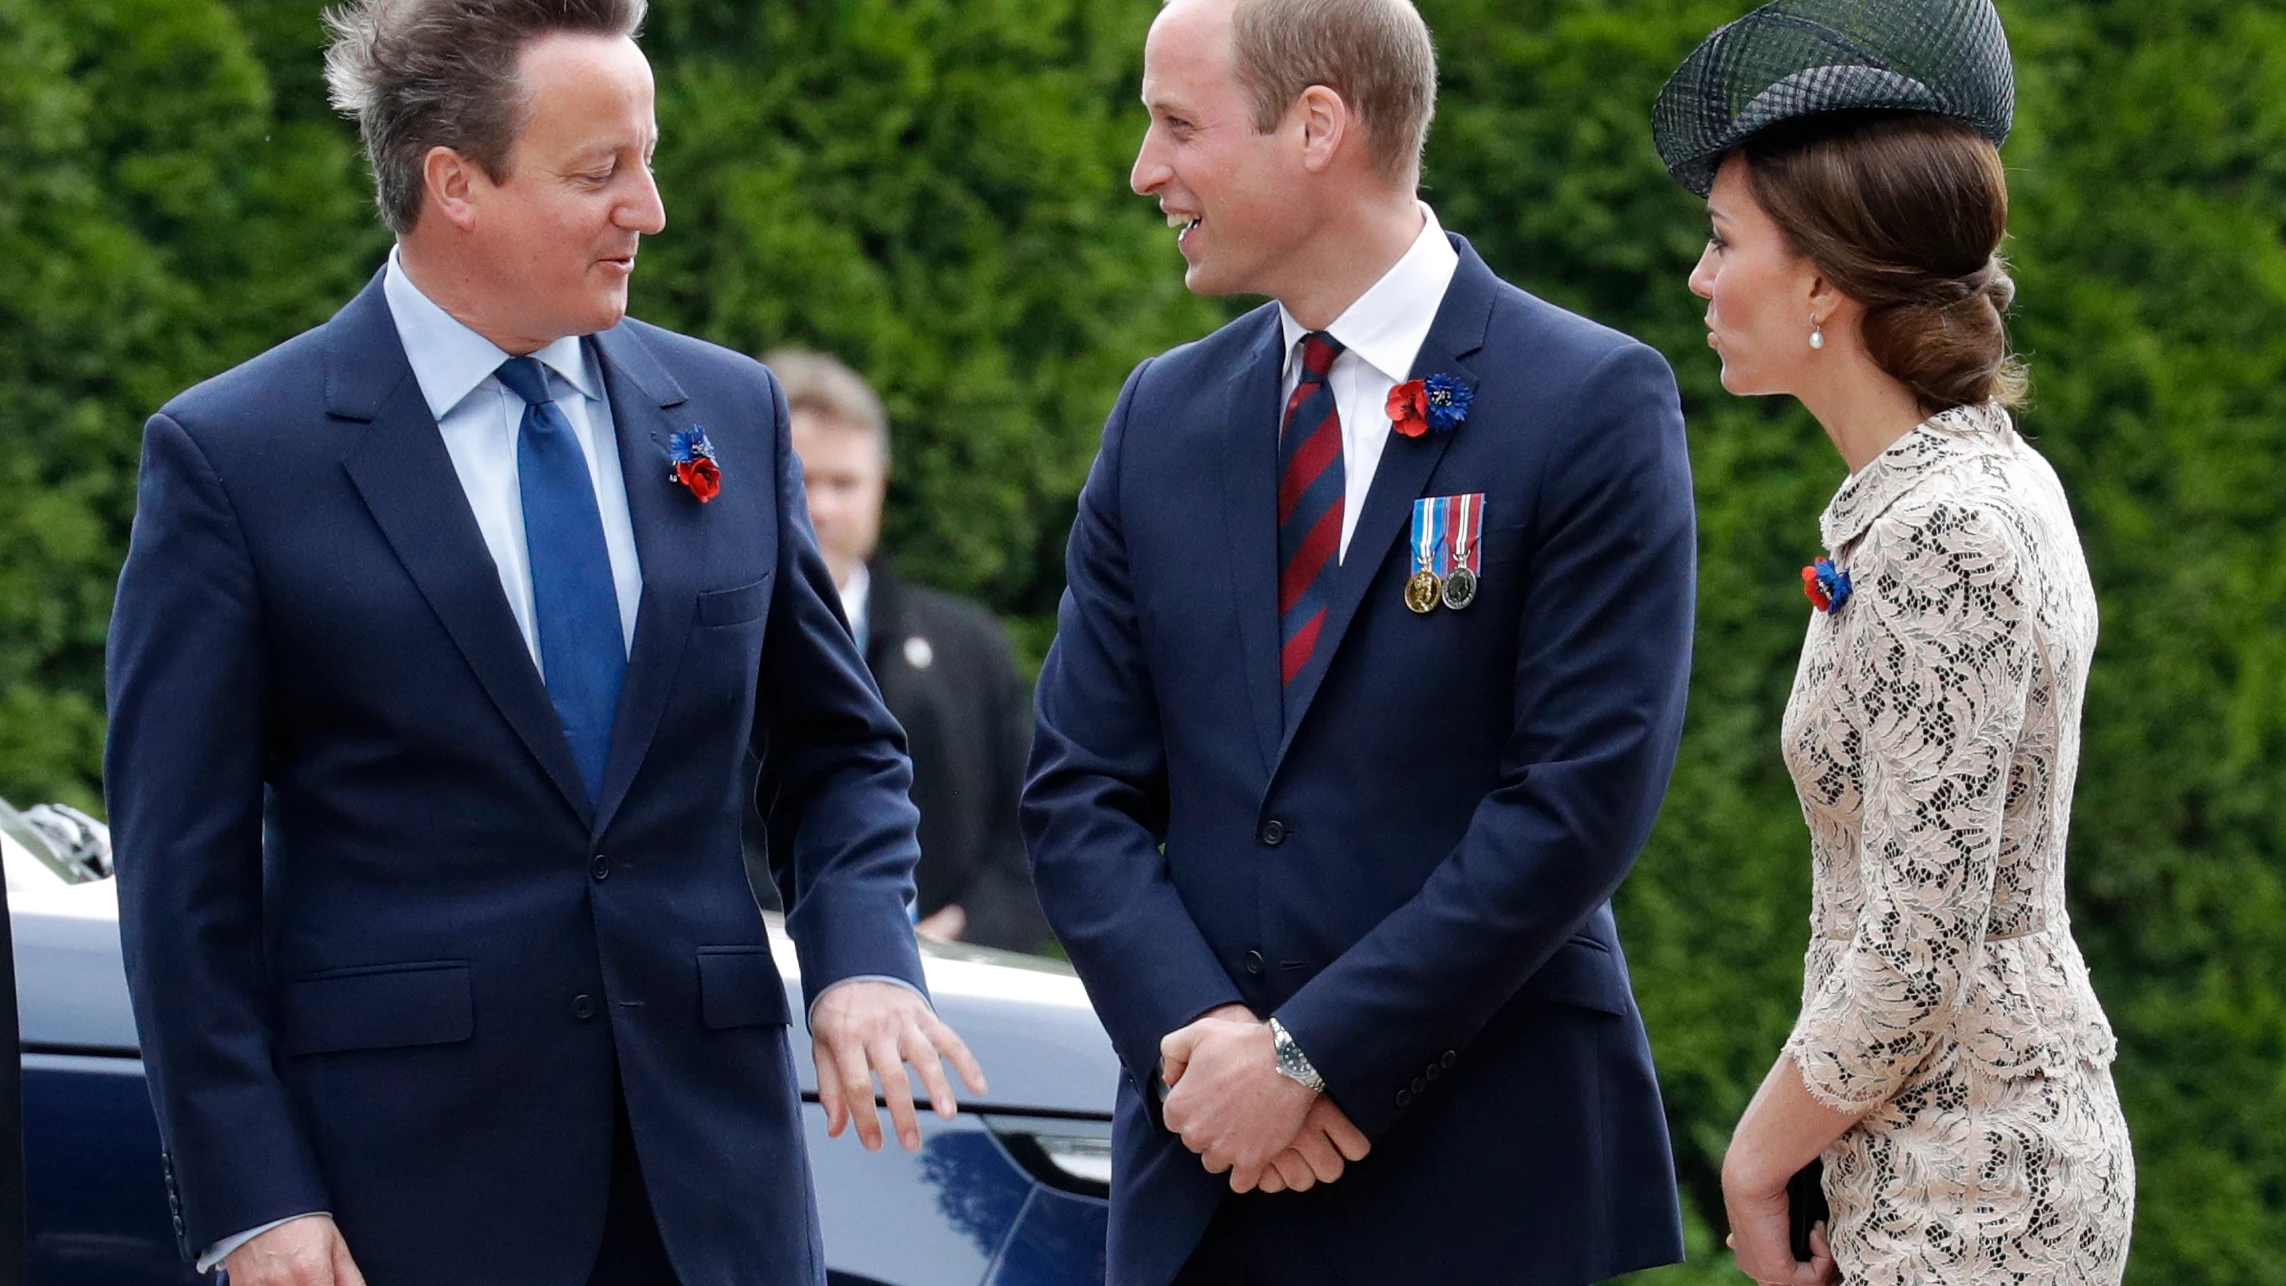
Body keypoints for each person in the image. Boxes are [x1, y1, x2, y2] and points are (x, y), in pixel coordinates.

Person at [103, 2, 984, 1283]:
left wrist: (862, 963)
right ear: (455, 183)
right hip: (405, 1199)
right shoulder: (236, 457)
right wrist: (256, 1200)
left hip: (715, 1198)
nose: (652, 208)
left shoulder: (727, 410)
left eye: (649, 157)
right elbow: (182, 884)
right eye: (600, 173)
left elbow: (839, 752)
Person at [1021, 0, 1699, 1280]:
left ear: (1317, 124)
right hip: (1205, 1169)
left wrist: (1313, 1054)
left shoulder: (1590, 401)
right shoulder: (1160, 416)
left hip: (1484, 1173)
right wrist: (1208, 1040)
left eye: (1175, 125)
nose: (1144, 170)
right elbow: (1078, 790)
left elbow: (1578, 798)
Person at [1654, 2, 2136, 1283]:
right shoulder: (1973, 480)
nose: (1701, 280)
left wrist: (1752, 1160)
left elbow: (1921, 945)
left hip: (1975, 1185)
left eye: (1722, 241)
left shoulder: (1947, 532)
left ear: (1820, 278)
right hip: (1934, 1152)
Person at [752, 349, 1050, 953]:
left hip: (958, 992)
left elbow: (1033, 837)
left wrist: (950, 940)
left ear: (880, 488)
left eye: (844, 483)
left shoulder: (972, 648)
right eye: (802, 482)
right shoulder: (702, 639)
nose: (823, 507)